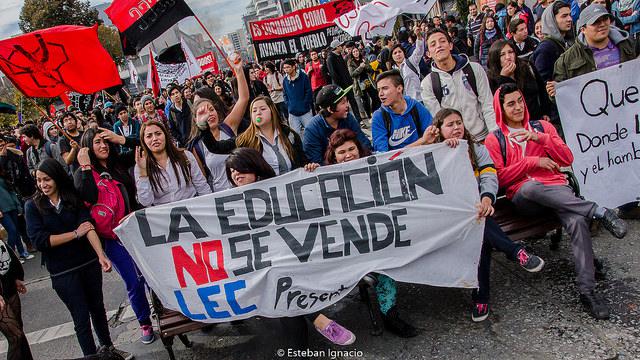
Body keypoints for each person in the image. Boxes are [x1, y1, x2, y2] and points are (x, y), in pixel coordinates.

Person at [485, 83, 628, 320]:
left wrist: (540, 138)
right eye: (511, 104)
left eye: (520, 100)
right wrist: (533, 162)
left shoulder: (542, 127)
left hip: (557, 192)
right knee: (531, 186)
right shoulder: (495, 138)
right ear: (501, 109)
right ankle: (597, 211)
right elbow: (498, 178)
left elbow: (567, 157)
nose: (518, 107)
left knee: (577, 221)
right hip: (525, 198)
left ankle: (588, 290)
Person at [223, 147, 356, 346]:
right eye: (231, 171)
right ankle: (319, 320)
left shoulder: (280, 188)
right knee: (277, 279)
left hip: (291, 257)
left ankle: (302, 347)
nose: (235, 174)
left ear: (254, 168)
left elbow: (311, 203)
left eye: (239, 168)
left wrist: (313, 173)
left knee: (282, 289)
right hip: (258, 265)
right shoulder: (227, 201)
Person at [426, 108, 545, 322]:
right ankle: (515, 251)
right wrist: (444, 150)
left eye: (459, 123)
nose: (456, 128)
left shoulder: (476, 149)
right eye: (450, 125)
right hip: (451, 218)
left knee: (481, 239)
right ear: (439, 130)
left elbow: (489, 174)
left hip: (479, 211)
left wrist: (487, 198)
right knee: (478, 227)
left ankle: (481, 296)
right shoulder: (432, 154)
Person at [25, 159, 131, 358]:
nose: (42, 184)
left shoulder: (71, 197)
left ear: (56, 178)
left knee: (98, 309)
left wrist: (101, 255)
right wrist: (74, 234)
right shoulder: (32, 206)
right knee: (81, 318)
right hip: (62, 271)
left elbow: (87, 225)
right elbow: (40, 240)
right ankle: (90, 356)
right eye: (39, 181)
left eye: (46, 179)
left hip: (88, 263)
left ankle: (108, 349)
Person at [322, 128, 418, 337]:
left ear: (359, 149)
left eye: (351, 149)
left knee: (385, 262)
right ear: (334, 157)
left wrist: (426, 142)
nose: (348, 155)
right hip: (351, 244)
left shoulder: (374, 166)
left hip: (379, 236)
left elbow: (400, 157)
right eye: (342, 152)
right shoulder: (324, 180)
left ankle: (389, 314)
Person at [552, 3, 640, 218]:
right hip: (592, 124)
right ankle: (597, 211)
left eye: (605, 20)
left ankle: (629, 203)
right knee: (597, 165)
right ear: (583, 28)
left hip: (624, 114)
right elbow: (563, 97)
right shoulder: (567, 60)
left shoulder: (627, 45)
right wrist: (554, 92)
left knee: (626, 157)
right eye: (595, 23)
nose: (602, 25)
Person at [75, 127, 155, 345]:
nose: (103, 146)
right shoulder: (83, 173)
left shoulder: (117, 164)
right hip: (112, 239)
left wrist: (120, 138)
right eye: (97, 143)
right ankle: (144, 322)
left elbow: (145, 147)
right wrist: (84, 167)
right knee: (134, 281)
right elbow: (87, 196)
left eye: (105, 141)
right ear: (87, 148)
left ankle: (164, 310)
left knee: (152, 276)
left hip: (135, 230)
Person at [421, 29, 497, 142]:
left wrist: (495, 134)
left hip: (483, 138)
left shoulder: (474, 69)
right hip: (455, 144)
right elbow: (438, 119)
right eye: (433, 44)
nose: (439, 46)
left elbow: (488, 104)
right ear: (428, 54)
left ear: (450, 45)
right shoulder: (428, 84)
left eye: (442, 41)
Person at [187, 59, 248, 192]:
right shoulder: (197, 146)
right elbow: (202, 180)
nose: (208, 114)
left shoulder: (228, 126)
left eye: (210, 109)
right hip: (222, 194)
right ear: (196, 120)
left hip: (244, 187)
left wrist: (239, 71)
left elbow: (243, 99)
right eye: (202, 112)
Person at [135, 121, 211, 207]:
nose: (155, 138)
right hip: (165, 216)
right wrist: (143, 173)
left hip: (192, 211)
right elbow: (145, 202)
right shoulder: (141, 166)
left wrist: (210, 207)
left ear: (165, 136)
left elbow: (202, 186)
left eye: (158, 134)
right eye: (149, 136)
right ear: (144, 141)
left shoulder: (185, 156)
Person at [236, 96, 306, 175]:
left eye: (263, 109)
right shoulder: (245, 141)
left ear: (272, 111)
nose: (258, 113)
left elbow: (302, 161)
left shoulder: (289, 134)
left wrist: (309, 166)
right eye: (254, 111)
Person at [303, 85, 371, 165]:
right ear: (330, 109)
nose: (347, 105)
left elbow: (364, 143)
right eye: (343, 103)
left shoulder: (348, 117)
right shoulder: (312, 129)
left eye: (346, 101)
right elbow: (316, 161)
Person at [486, 40, 553, 122]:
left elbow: (541, 89)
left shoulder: (527, 66)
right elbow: (498, 105)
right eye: (502, 54)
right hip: (515, 125)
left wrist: (545, 112)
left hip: (537, 120)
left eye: (510, 52)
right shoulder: (491, 78)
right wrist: (503, 78)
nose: (508, 57)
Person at [371, 70, 433, 152]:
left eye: (385, 88)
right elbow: (383, 155)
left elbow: (431, 137)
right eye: (379, 90)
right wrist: (422, 141)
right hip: (397, 164)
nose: (380, 94)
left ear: (399, 88)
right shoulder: (378, 116)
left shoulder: (416, 107)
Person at [0, 235, 33, 360]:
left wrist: (15, 276)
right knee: (15, 336)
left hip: (8, 285)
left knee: (19, 332)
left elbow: (4, 249)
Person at [530, 0, 574, 82]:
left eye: (569, 15)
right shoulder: (545, 48)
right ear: (552, 20)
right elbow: (542, 82)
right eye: (564, 16)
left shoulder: (567, 42)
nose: (570, 19)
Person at [326, 40, 363, 124]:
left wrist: (349, 81)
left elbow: (345, 70)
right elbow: (333, 74)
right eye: (340, 46)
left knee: (353, 101)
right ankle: (346, 122)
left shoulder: (340, 56)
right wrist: (340, 85)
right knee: (342, 105)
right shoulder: (330, 58)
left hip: (348, 84)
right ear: (336, 47)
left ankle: (359, 120)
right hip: (340, 87)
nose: (342, 47)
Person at [0, 170, 34, 262]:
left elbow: (12, 192)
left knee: (16, 231)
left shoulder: (3, 175)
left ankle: (22, 253)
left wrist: (18, 206)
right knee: (12, 230)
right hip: (3, 211)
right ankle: (12, 256)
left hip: (12, 206)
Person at [391, 27, 426, 101]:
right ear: (392, 57)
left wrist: (418, 35)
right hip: (405, 104)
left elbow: (419, 50)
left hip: (419, 100)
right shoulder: (393, 72)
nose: (398, 54)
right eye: (395, 53)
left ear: (404, 53)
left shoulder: (411, 61)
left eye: (400, 52)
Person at [282, 59, 314, 136]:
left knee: (312, 132)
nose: (286, 70)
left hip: (305, 111)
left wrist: (305, 103)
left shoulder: (303, 77)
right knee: (295, 135)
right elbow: (284, 94)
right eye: (284, 68)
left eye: (288, 67)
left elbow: (309, 91)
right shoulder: (285, 80)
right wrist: (289, 105)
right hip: (292, 113)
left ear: (294, 67)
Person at [347, 47, 381, 119]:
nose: (356, 53)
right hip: (360, 83)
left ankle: (375, 112)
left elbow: (371, 70)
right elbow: (352, 74)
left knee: (375, 96)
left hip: (368, 80)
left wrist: (366, 66)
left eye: (357, 51)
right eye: (354, 52)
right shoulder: (350, 62)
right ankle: (369, 115)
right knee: (366, 100)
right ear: (352, 54)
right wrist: (360, 67)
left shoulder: (364, 59)